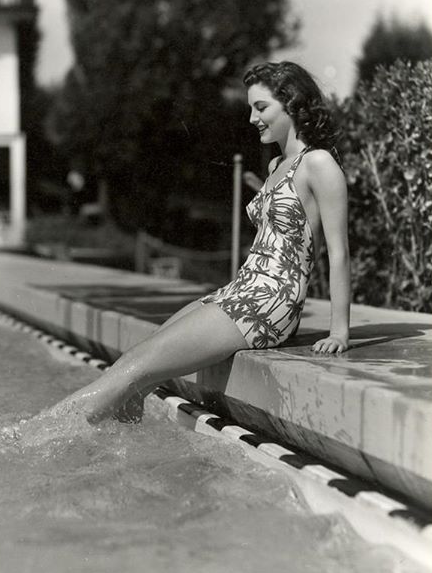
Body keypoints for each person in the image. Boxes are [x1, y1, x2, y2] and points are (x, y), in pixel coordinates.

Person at [50, 61, 350, 424]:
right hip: (239, 291)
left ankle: (45, 432)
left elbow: (338, 252)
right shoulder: (276, 167)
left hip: (270, 302)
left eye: (261, 107)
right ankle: (117, 446)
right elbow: (286, 219)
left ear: (292, 102)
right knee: (134, 364)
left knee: (131, 372)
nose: (253, 118)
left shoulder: (319, 163)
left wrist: (339, 332)